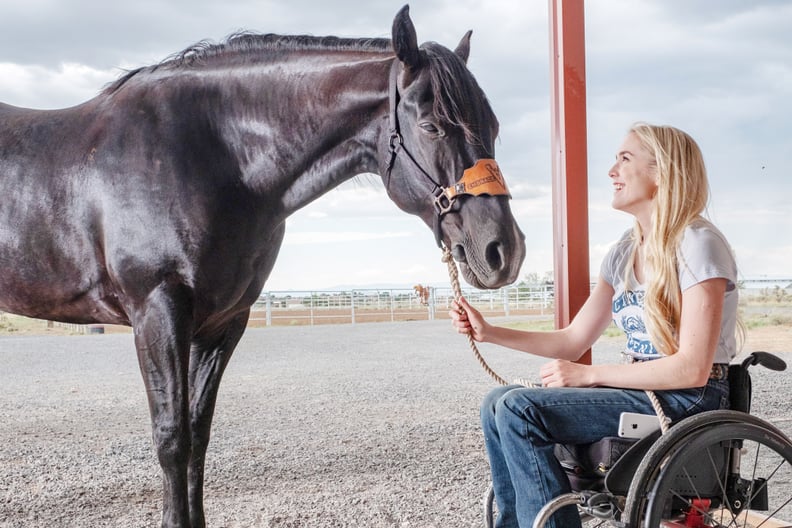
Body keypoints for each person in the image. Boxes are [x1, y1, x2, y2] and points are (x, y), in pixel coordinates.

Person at [450, 122, 739, 528]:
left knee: (520, 409)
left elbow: (692, 367)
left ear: (662, 171)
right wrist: (490, 332)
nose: (611, 171)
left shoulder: (698, 244)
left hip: (689, 396)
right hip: (646, 388)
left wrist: (589, 375)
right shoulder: (623, 251)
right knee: (496, 401)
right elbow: (573, 339)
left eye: (625, 158)